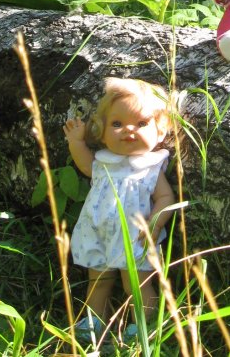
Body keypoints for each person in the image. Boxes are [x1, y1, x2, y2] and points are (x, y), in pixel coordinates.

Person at [63, 77, 175, 343]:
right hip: (98, 231)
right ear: (101, 132)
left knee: (136, 283)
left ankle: (144, 326)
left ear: (160, 131)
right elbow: (86, 167)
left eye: (141, 123)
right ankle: (93, 319)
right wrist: (76, 143)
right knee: (98, 281)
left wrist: (155, 223)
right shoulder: (104, 162)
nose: (128, 130)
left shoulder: (149, 166)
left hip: (136, 235)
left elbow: (166, 197)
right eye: (117, 124)